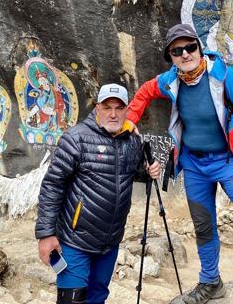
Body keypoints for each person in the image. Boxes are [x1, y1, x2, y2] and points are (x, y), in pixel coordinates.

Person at [126, 24, 233, 304]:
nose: (185, 54)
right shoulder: (171, 81)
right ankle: (210, 282)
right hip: (193, 164)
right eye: (177, 51)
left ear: (199, 47)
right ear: (171, 57)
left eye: (190, 47)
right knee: (203, 225)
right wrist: (131, 118)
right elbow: (144, 91)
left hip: (229, 162)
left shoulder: (225, 77)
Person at [35, 83, 160, 304]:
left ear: (127, 110)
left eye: (119, 108)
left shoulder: (132, 141)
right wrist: (46, 235)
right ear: (97, 107)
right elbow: (52, 186)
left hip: (110, 242)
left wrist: (148, 170)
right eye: (107, 107)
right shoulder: (76, 138)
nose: (113, 114)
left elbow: (132, 172)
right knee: (71, 300)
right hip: (75, 240)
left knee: (97, 297)